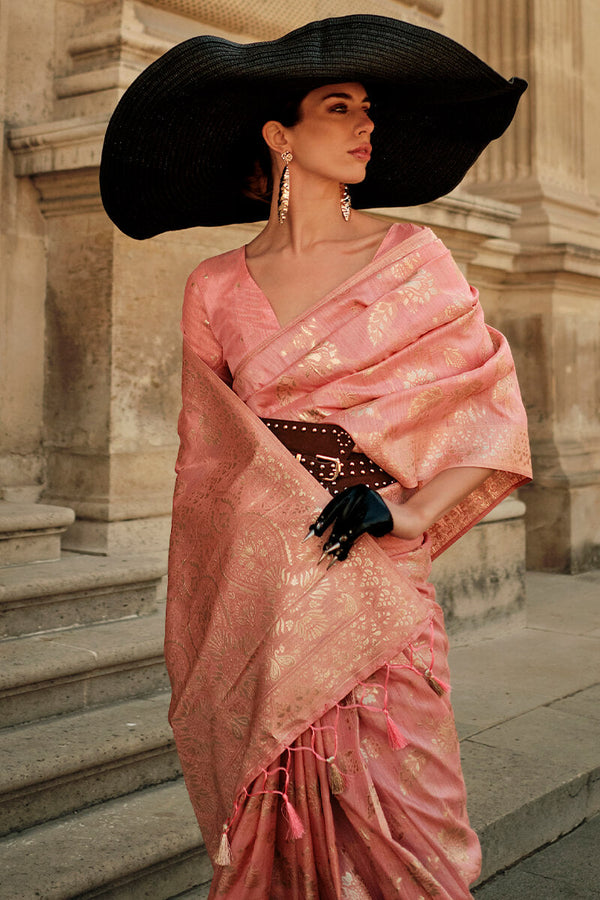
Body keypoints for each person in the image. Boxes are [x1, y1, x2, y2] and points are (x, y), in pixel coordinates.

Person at [100, 15, 532, 899]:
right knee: (276, 824)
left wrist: (405, 508)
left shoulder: (416, 259)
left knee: (414, 832)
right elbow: (205, 467)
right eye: (340, 106)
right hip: (264, 591)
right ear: (278, 135)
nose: (366, 124)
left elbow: (490, 413)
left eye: (368, 107)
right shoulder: (213, 286)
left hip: (373, 579)